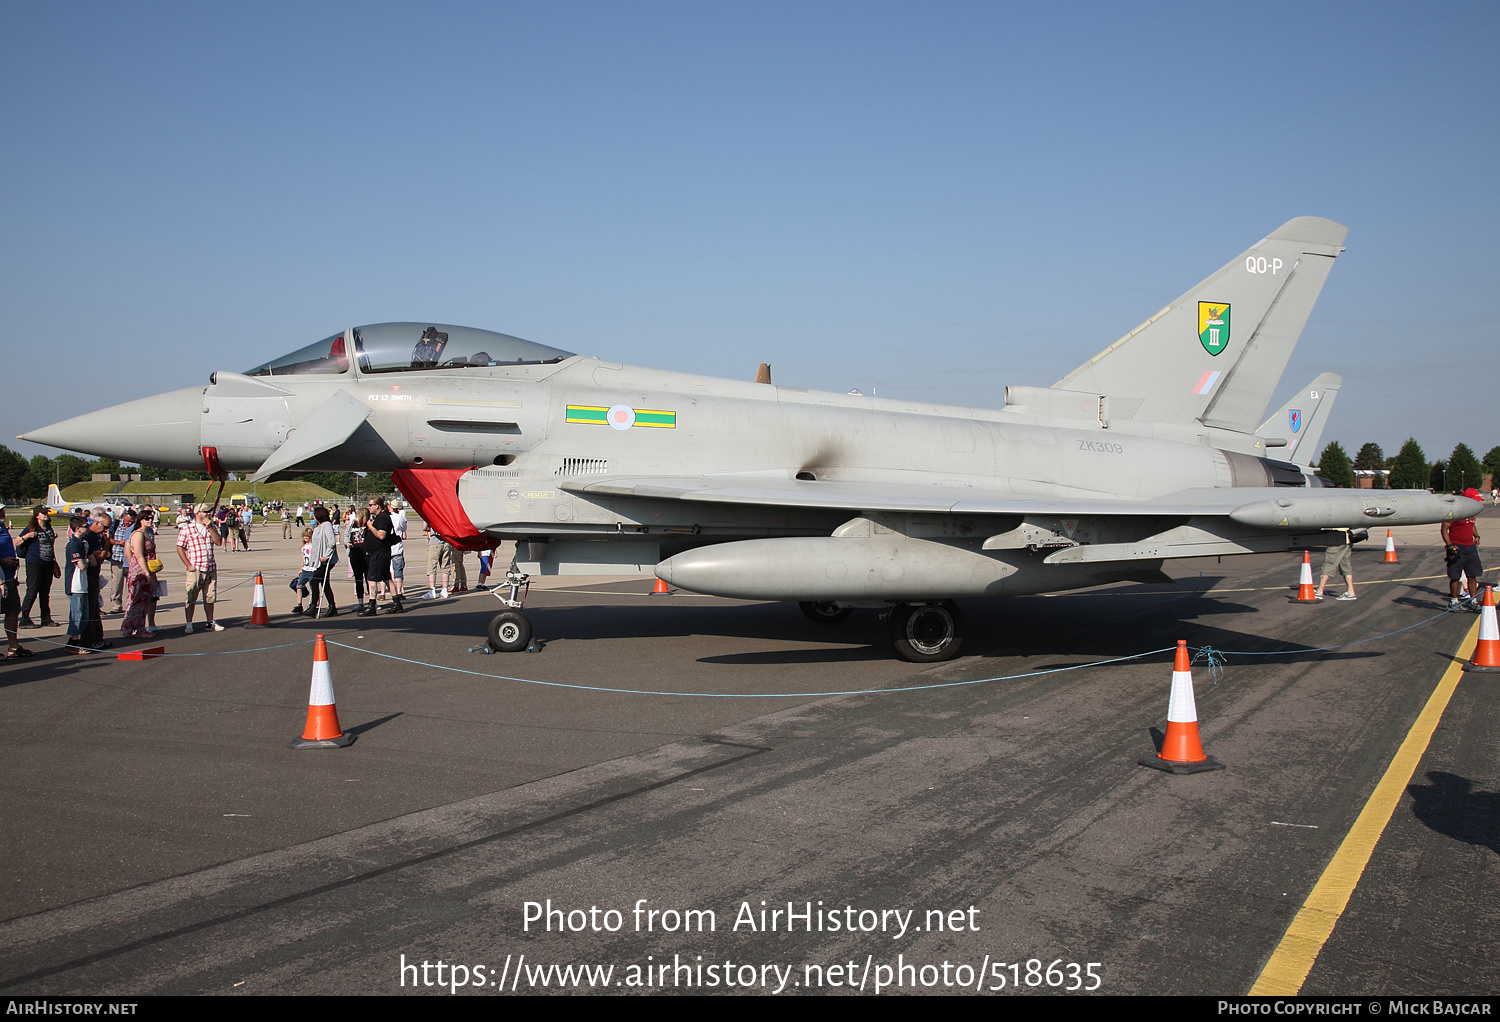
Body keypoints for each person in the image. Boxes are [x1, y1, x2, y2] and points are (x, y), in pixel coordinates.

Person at [177, 504, 225, 632]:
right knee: (191, 595)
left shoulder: (211, 527)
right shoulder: (187, 529)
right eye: (206, 511)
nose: (208, 513)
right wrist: (188, 564)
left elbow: (219, 542)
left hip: (210, 566)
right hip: (196, 567)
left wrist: (210, 527)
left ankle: (210, 622)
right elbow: (180, 546)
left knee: (210, 596)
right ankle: (189, 623)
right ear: (198, 513)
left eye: (209, 511)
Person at [17, 506, 60, 627]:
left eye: (47, 512)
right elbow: (16, 541)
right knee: (32, 591)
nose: (46, 514)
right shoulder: (31, 528)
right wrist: (27, 536)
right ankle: (24, 618)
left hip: (47, 563)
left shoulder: (48, 528)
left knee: (45, 592)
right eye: (43, 513)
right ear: (37, 515)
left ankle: (46, 618)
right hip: (34, 563)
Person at [1442, 491, 1484, 611]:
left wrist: (1476, 536)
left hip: (1470, 547)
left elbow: (1472, 525)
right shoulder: (1454, 512)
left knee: (1472, 575)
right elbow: (1445, 529)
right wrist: (1450, 545)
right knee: (1455, 575)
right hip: (1457, 546)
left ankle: (1473, 601)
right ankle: (1454, 601)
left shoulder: (1472, 513)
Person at [121, 508, 160, 638]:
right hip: (140, 570)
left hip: (146, 568)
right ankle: (133, 628)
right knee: (136, 600)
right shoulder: (138, 534)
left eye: (151, 518)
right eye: (147, 518)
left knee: (144, 600)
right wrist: (146, 572)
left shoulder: (146, 532)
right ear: (141, 520)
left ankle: (139, 627)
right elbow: (137, 555)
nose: (150, 521)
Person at [1, 505, 33, 659]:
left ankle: (13, 646)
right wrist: (3, 560)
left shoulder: (2, 526)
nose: (3, 513)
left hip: (8, 577)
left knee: (13, 610)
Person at [362, 496, 401, 614]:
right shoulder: (379, 517)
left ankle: (371, 605)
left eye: (370, 505)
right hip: (378, 551)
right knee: (386, 578)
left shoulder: (383, 518)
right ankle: (397, 602)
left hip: (380, 552)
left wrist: (370, 526)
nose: (369, 507)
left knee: (371, 578)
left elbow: (381, 535)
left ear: (377, 506)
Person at [62, 516, 91, 654]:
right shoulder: (73, 544)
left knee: (84, 614)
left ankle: (77, 640)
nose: (87, 528)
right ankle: (73, 642)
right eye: (85, 526)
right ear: (78, 528)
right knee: (77, 614)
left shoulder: (83, 543)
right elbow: (81, 565)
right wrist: (87, 561)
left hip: (82, 584)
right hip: (75, 584)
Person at [306, 506, 339, 618]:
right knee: (324, 584)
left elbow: (331, 542)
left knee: (315, 581)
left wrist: (326, 555)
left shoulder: (326, 525)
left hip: (326, 560)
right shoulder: (318, 527)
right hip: (318, 560)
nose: (312, 517)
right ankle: (332, 606)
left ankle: (313, 606)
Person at [1314, 528, 1356, 601]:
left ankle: (1319, 591)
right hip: (1347, 539)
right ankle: (1351, 592)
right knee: (1345, 565)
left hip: (1337, 538)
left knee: (1329, 563)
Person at [106, 509, 135, 613]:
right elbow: (107, 538)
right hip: (117, 558)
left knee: (132, 584)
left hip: (131, 560)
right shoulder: (116, 525)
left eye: (131, 521)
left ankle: (131, 604)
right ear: (124, 517)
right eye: (128, 521)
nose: (129, 523)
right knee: (117, 584)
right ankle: (116, 605)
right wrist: (117, 542)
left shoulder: (135, 527)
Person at [347, 508, 371, 615]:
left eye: (358, 515)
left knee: (369, 578)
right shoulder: (353, 525)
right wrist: (347, 543)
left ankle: (372, 600)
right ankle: (360, 602)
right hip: (355, 553)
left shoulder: (368, 525)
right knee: (358, 579)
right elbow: (347, 535)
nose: (356, 517)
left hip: (365, 554)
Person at [289, 528, 315, 613]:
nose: (305, 538)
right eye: (304, 536)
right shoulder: (303, 547)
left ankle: (314, 604)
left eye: (307, 536)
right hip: (305, 569)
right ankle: (299, 604)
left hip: (312, 569)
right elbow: (303, 558)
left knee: (313, 588)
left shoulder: (313, 545)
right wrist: (301, 568)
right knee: (299, 586)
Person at [424, 524, 451, 599]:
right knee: (445, 567)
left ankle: (432, 590)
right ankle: (444, 589)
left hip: (435, 542)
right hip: (446, 541)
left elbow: (424, 527)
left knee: (432, 567)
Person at [390, 500, 407, 604]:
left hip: (389, 547)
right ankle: (399, 590)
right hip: (397, 546)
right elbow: (404, 528)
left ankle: (392, 591)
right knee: (398, 571)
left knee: (390, 570)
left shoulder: (387, 517)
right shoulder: (399, 517)